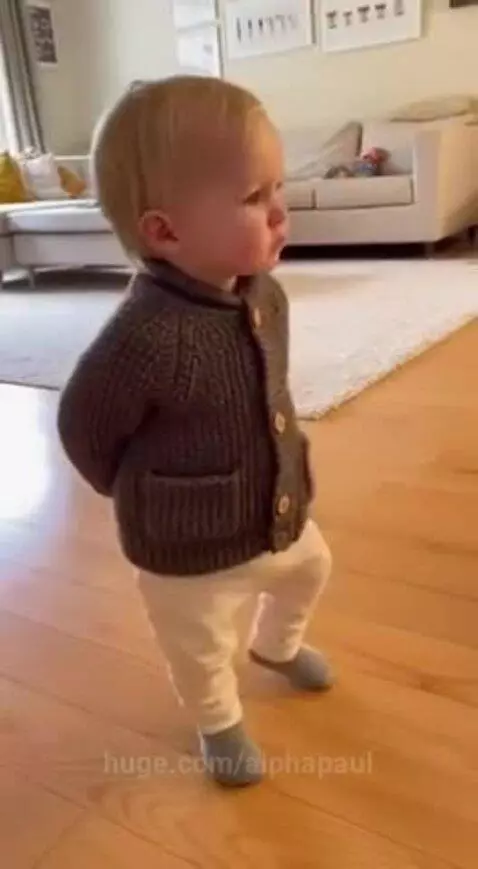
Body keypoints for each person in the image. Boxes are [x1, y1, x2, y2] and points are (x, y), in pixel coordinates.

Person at [57, 76, 333, 787]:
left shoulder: (265, 295)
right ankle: (218, 721)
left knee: (313, 568)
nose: (280, 211)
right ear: (166, 232)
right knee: (200, 643)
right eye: (254, 197)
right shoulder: (145, 337)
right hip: (187, 545)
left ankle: (277, 646)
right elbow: (84, 423)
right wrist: (140, 491)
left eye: (278, 187)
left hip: (275, 513)